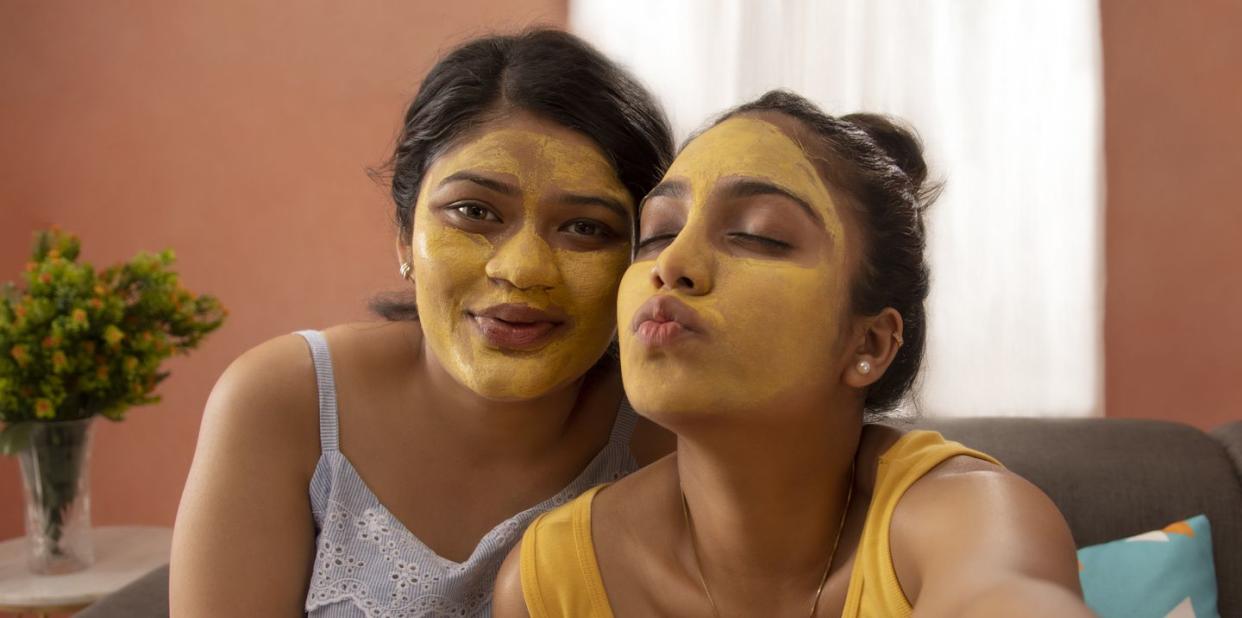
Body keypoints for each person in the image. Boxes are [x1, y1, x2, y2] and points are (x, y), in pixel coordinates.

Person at [494, 90, 1091, 617]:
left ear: (870, 343)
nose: (670, 265)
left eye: (758, 234)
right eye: (656, 234)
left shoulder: (967, 516)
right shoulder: (550, 581)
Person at [170, 29, 675, 617]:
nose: (522, 269)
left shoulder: (669, 437)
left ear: (642, 259)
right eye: (475, 212)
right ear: (404, 232)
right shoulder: (282, 404)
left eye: (585, 227)